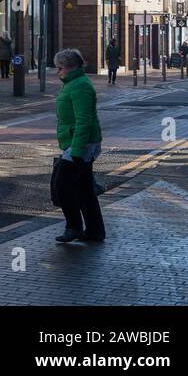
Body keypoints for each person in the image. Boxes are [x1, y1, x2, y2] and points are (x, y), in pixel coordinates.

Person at [52, 48, 105, 243]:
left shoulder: (79, 86)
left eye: (59, 68)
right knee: (84, 189)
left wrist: (77, 150)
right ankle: (94, 231)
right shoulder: (72, 83)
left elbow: (84, 120)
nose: (58, 72)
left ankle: (73, 227)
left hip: (81, 143)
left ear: (69, 67)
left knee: (62, 185)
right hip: (77, 141)